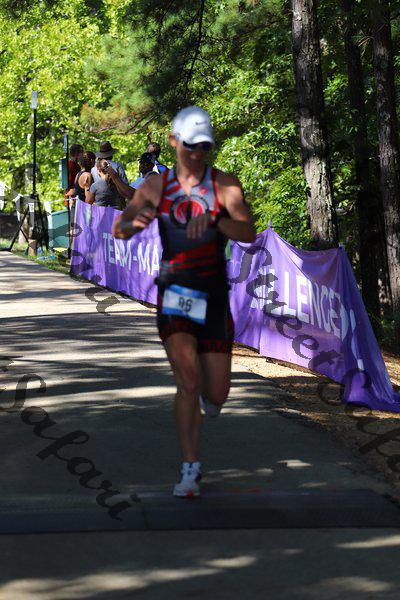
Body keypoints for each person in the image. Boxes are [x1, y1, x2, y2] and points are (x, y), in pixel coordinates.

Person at [113, 106, 256, 498]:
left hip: (214, 294)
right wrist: (134, 223)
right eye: (190, 145)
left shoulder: (224, 184)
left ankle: (211, 399)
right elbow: (120, 228)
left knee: (218, 393)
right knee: (188, 379)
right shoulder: (156, 186)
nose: (197, 153)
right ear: (174, 142)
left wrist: (217, 222)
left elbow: (248, 231)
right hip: (176, 292)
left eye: (204, 146)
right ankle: (190, 468)